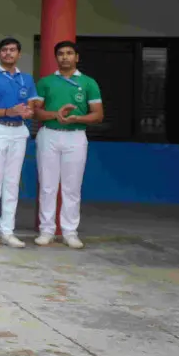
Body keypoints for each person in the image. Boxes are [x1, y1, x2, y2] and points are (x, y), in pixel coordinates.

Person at [33, 41, 104, 250]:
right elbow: (36, 112)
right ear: (56, 58)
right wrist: (55, 115)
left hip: (76, 137)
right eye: (61, 53)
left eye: (69, 53)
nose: (65, 57)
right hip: (49, 135)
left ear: (77, 57)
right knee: (47, 186)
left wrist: (76, 119)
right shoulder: (45, 82)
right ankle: (46, 231)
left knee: (71, 188)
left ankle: (69, 232)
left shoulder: (89, 83)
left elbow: (98, 115)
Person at [0, 37, 38, 248]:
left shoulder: (26, 79)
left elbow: (32, 108)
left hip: (19, 131)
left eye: (12, 50)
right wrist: (7, 111)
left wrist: (28, 112)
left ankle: (7, 231)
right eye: (4, 50)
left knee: (12, 183)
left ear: (19, 54)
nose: (8, 53)